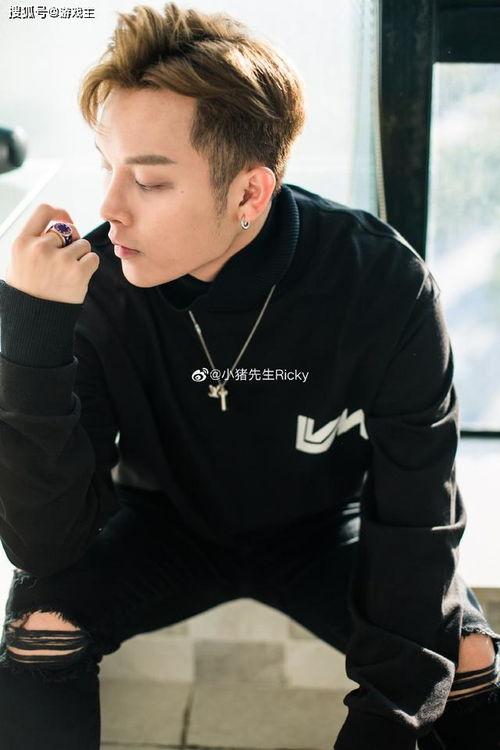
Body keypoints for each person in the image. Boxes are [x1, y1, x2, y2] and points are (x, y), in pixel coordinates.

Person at [0, 3, 498, 749]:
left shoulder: (382, 284)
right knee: (41, 624)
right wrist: (32, 331)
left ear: (249, 194)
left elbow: (420, 517)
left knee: (467, 661)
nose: (109, 208)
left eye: (149, 181)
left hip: (324, 531)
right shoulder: (99, 285)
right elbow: (44, 545)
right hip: (162, 525)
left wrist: (385, 722)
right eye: (108, 167)